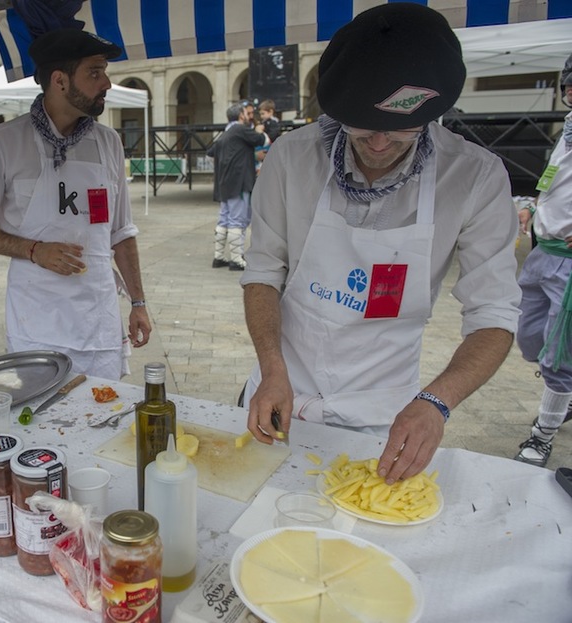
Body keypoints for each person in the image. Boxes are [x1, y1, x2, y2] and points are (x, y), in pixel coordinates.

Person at [241, 3, 522, 484]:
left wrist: (437, 401)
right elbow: (263, 273)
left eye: (400, 130)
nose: (376, 145)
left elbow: (494, 316)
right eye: (361, 127)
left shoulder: (475, 176)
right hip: (280, 389)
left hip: (385, 415)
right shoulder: (293, 156)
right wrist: (272, 368)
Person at [0, 28, 151, 381]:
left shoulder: (108, 143)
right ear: (59, 81)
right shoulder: (2, 143)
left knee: (103, 410)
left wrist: (138, 303)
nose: (106, 83)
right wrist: (33, 249)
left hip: (97, 318)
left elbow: (121, 232)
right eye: (95, 72)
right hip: (36, 321)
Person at [513, 52, 572, 467]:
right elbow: (555, 183)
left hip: (568, 262)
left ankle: (542, 435)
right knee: (530, 338)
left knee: (557, 354)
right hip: (541, 252)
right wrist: (533, 207)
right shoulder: (568, 130)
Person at [207, 102, 267, 271]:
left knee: (224, 219)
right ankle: (236, 259)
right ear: (241, 115)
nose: (248, 116)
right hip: (239, 182)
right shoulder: (240, 130)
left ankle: (219, 256)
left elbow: (210, 153)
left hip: (224, 183)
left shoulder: (226, 133)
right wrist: (259, 131)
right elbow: (261, 139)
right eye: (246, 114)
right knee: (237, 220)